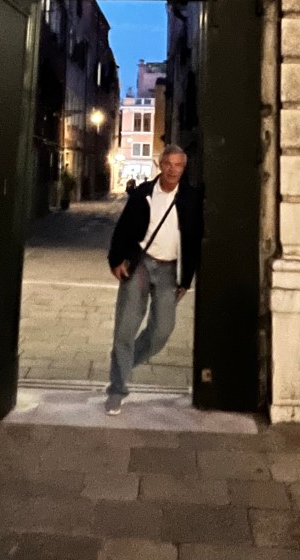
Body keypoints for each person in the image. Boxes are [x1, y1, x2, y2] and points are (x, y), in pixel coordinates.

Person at [105, 145, 203, 415]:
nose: (173, 170)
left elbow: (194, 240)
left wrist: (186, 280)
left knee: (162, 330)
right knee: (125, 328)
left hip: (169, 270)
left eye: (178, 165)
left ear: (184, 167)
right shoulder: (142, 194)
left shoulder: (191, 198)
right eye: (168, 164)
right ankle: (117, 388)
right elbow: (122, 228)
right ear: (160, 164)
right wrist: (116, 260)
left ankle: (124, 364)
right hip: (140, 265)